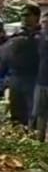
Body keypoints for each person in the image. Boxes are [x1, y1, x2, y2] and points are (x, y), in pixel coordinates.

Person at [0, 5, 41, 126]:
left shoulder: (42, 35)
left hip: (34, 77)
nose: (24, 18)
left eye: (27, 15)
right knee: (16, 110)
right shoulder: (16, 36)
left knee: (33, 111)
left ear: (36, 17)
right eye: (22, 15)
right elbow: (5, 56)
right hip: (16, 76)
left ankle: (34, 139)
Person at [34, 11, 48, 141]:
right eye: (44, 22)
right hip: (41, 80)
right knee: (40, 113)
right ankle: (39, 141)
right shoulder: (38, 38)